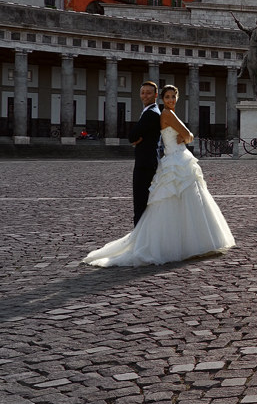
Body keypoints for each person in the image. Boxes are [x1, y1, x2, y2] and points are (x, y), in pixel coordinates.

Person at [86, 85, 235, 267]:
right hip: (177, 159)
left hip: (174, 160)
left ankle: (178, 242)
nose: (171, 100)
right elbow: (189, 136)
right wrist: (184, 137)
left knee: (175, 202)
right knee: (186, 201)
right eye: (167, 97)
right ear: (162, 99)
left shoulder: (164, 113)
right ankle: (188, 243)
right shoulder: (167, 114)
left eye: (173, 96)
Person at [129, 81, 161, 225]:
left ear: (156, 95)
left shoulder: (150, 114)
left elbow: (132, 136)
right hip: (149, 161)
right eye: (142, 93)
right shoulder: (152, 111)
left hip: (145, 164)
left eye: (148, 93)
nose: (145, 96)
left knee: (140, 203)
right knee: (143, 202)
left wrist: (135, 139)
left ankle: (139, 239)